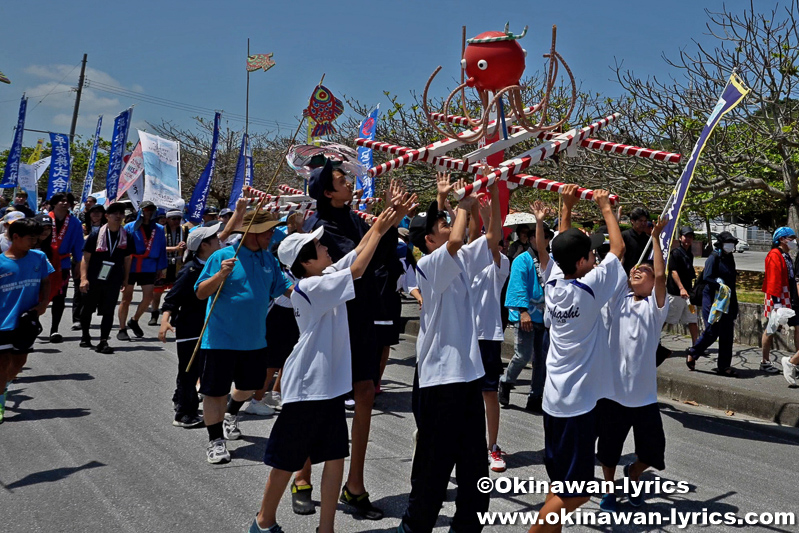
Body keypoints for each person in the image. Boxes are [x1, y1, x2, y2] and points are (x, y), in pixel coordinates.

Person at [250, 208, 399, 533]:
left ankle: (326, 528)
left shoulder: (326, 275)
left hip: (330, 387)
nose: (326, 247)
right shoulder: (311, 288)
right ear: (305, 262)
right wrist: (382, 225)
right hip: (306, 388)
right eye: (318, 247)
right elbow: (359, 267)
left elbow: (357, 253)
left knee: (334, 457)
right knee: (285, 461)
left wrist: (384, 222)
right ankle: (263, 523)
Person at [303, 160, 400, 519]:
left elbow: (381, 256)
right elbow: (353, 264)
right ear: (328, 192)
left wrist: (388, 221)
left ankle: (355, 484)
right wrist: (383, 221)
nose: (349, 184)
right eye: (342, 180)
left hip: (361, 320)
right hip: (331, 324)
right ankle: (302, 476)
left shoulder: (355, 218)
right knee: (322, 402)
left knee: (364, 395)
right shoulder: (317, 229)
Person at [527, 184, 624, 533]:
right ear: (582, 262)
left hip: (555, 402)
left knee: (559, 483)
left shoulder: (553, 284)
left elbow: (555, 250)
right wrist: (605, 208)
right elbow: (620, 248)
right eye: (591, 256)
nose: (595, 259)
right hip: (577, 407)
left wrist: (564, 207)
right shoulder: (589, 289)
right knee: (578, 492)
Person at [398, 174, 491, 533]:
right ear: (428, 239)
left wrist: (498, 196)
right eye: (443, 222)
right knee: (433, 469)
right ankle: (414, 527)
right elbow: (455, 239)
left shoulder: (461, 259)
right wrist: (463, 205)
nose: (450, 224)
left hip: (466, 376)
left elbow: (492, 238)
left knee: (474, 468)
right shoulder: (428, 265)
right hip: (439, 379)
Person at [195, 210, 292, 464]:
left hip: (255, 340)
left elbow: (285, 289)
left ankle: (231, 413)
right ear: (252, 233)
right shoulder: (222, 256)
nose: (273, 234)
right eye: (269, 230)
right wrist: (220, 275)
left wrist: (317, 293)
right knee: (214, 393)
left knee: (249, 387)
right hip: (219, 340)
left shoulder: (269, 260)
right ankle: (215, 441)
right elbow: (200, 293)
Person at [596, 218, 669, 512]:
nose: (639, 272)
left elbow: (662, 276)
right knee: (608, 450)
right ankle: (610, 490)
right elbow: (618, 258)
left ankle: (635, 473)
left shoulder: (654, 308)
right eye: (636, 270)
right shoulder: (618, 300)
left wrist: (655, 239)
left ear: (653, 284)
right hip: (614, 393)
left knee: (653, 451)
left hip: (644, 397)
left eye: (645, 272)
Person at [159, 223, 221, 428]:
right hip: (190, 329)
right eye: (215, 238)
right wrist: (165, 320)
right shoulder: (191, 270)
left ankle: (180, 399)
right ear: (204, 245)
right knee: (189, 372)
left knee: (193, 371)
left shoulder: (211, 266)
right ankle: (185, 414)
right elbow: (172, 298)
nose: (220, 240)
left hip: (207, 328)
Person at [468, 182, 509, 473]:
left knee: (489, 393)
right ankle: (467, 445)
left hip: (488, 336)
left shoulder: (500, 263)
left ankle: (492, 446)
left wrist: (492, 202)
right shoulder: (465, 261)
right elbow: (471, 236)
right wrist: (470, 208)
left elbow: (492, 240)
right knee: (464, 395)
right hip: (465, 336)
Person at [499, 205, 553, 413]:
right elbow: (517, 286)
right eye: (541, 236)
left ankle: (536, 395)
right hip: (526, 314)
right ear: (531, 238)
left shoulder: (551, 260)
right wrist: (522, 311)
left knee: (541, 358)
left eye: (548, 236)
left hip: (545, 316)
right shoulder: (522, 260)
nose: (544, 240)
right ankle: (506, 380)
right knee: (522, 355)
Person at [0, 218, 53, 423]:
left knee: (19, 362)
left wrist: (43, 303)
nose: (34, 242)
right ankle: (0, 401)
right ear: (15, 237)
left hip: (26, 322)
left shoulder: (39, 257)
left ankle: (4, 385)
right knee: (2, 361)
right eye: (30, 238)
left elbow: (46, 282)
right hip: (3, 322)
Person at [79, 203, 133, 354]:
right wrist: (83, 278)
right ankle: (85, 335)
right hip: (94, 277)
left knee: (109, 310)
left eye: (121, 213)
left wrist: (126, 278)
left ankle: (103, 340)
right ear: (107, 216)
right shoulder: (95, 235)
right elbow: (85, 258)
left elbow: (127, 259)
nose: (118, 216)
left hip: (113, 277)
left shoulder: (127, 236)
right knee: (87, 309)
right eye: (114, 213)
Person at [686, 231, 740, 377]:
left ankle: (724, 366)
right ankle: (693, 352)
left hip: (727, 300)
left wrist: (734, 304)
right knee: (712, 330)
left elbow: (732, 283)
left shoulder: (730, 258)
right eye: (728, 242)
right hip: (712, 298)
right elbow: (707, 278)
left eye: (733, 242)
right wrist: (719, 285)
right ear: (721, 243)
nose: (731, 245)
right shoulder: (713, 257)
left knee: (727, 334)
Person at [118, 201, 167, 340]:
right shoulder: (129, 227)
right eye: (146, 209)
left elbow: (162, 249)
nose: (149, 212)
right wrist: (121, 267)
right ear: (141, 210)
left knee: (148, 297)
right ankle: (122, 329)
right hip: (131, 265)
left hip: (149, 265)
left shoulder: (159, 229)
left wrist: (160, 267)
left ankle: (134, 320)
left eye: (152, 209)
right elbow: (122, 247)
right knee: (126, 298)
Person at [47, 193, 84, 343]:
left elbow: (78, 245)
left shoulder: (75, 223)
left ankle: (54, 329)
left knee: (59, 297)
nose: (64, 203)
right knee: (35, 295)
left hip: (63, 264)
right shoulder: (43, 219)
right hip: (43, 261)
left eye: (67, 201)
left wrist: (78, 264)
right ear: (54, 203)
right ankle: (33, 322)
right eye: (60, 201)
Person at [761, 227, 799, 374]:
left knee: (796, 326)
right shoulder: (774, 255)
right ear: (782, 239)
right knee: (771, 328)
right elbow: (773, 280)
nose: (793, 241)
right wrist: (777, 304)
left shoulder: (785, 255)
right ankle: (764, 361)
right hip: (777, 297)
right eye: (791, 238)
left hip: (787, 296)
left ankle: (796, 362)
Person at [149, 210, 187, 326]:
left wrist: (186, 247)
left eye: (178, 219)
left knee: (176, 292)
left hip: (178, 264)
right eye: (173, 219)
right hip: (163, 264)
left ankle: (174, 315)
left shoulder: (184, 230)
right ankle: (154, 314)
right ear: (167, 219)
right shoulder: (160, 230)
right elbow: (156, 248)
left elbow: (190, 244)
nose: (176, 221)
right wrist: (175, 248)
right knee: (157, 292)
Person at [665, 226, 699, 345]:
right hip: (676, 293)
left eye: (690, 237)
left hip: (688, 294)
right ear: (680, 238)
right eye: (686, 236)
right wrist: (681, 288)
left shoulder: (690, 254)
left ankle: (696, 345)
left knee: (693, 319)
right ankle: (654, 341)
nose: (688, 239)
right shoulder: (675, 253)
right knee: (668, 319)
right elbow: (673, 271)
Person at [621, 206, 650, 274]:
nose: (643, 224)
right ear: (632, 221)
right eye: (640, 221)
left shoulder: (648, 239)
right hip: (627, 274)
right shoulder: (625, 236)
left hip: (643, 275)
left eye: (645, 221)